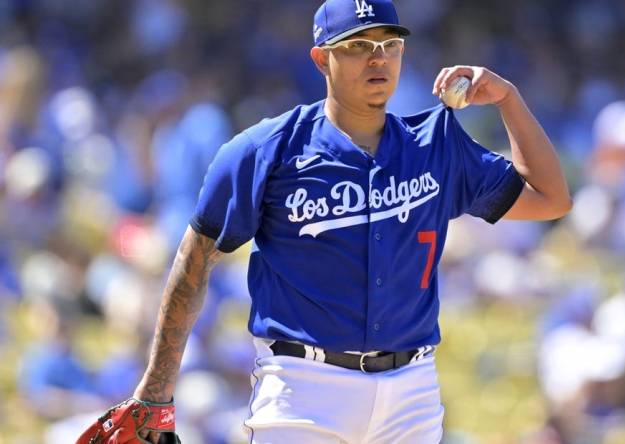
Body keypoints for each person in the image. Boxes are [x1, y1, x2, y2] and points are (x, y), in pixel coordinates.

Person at [79, 0, 572, 442]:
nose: (378, 58)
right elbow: (193, 261)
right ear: (322, 58)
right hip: (303, 389)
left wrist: (508, 99)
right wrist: (156, 391)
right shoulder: (265, 151)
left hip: (412, 390)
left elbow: (550, 198)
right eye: (357, 46)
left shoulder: (434, 146)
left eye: (389, 44)